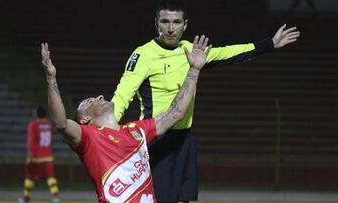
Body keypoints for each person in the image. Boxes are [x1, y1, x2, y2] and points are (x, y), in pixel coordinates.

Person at [111, 0, 301, 202]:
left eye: (176, 22)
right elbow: (123, 95)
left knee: (184, 199)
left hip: (184, 140)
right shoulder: (143, 55)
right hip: (157, 142)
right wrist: (106, 131)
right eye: (165, 22)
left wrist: (269, 44)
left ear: (185, 25)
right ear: (156, 24)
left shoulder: (192, 51)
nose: (170, 28)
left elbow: (229, 53)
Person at [41, 34, 210, 202]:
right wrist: (50, 79)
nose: (99, 96)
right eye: (90, 101)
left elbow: (175, 114)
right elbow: (60, 123)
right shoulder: (89, 137)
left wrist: (194, 70)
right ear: (85, 120)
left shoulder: (136, 130)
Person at [18, 106, 59, 203]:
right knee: (51, 178)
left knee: (29, 178)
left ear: (36, 114)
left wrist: (30, 154)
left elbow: (31, 141)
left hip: (35, 157)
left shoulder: (33, 125)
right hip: (48, 156)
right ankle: (55, 198)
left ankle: (26, 199)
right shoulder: (49, 125)